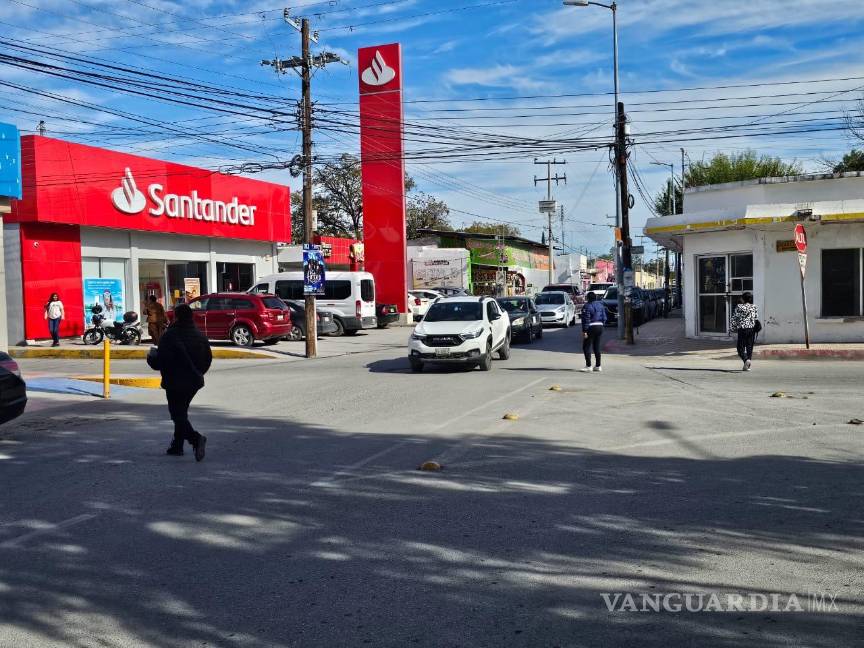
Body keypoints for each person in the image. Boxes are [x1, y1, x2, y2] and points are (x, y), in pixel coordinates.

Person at [146, 303, 212, 460]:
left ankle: (196, 439)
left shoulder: (170, 335)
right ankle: (177, 446)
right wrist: (198, 372)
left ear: (176, 317)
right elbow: (208, 359)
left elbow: (161, 360)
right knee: (181, 412)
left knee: (177, 414)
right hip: (194, 381)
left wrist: (151, 359)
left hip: (175, 381)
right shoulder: (199, 335)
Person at [730, 291, 758, 371]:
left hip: (742, 329)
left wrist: (732, 328)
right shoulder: (754, 307)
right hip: (751, 329)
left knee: (740, 347)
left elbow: (734, 318)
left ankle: (746, 360)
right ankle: (747, 366)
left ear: (743, 299)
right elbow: (756, 318)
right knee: (749, 347)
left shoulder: (739, 307)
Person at [580, 291, 607, 372]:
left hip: (591, 327)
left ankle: (588, 366)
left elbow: (586, 319)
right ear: (595, 298)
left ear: (588, 298)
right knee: (596, 346)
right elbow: (604, 317)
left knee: (586, 346)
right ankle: (598, 366)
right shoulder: (600, 305)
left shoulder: (586, 306)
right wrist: (602, 325)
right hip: (600, 326)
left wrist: (584, 330)